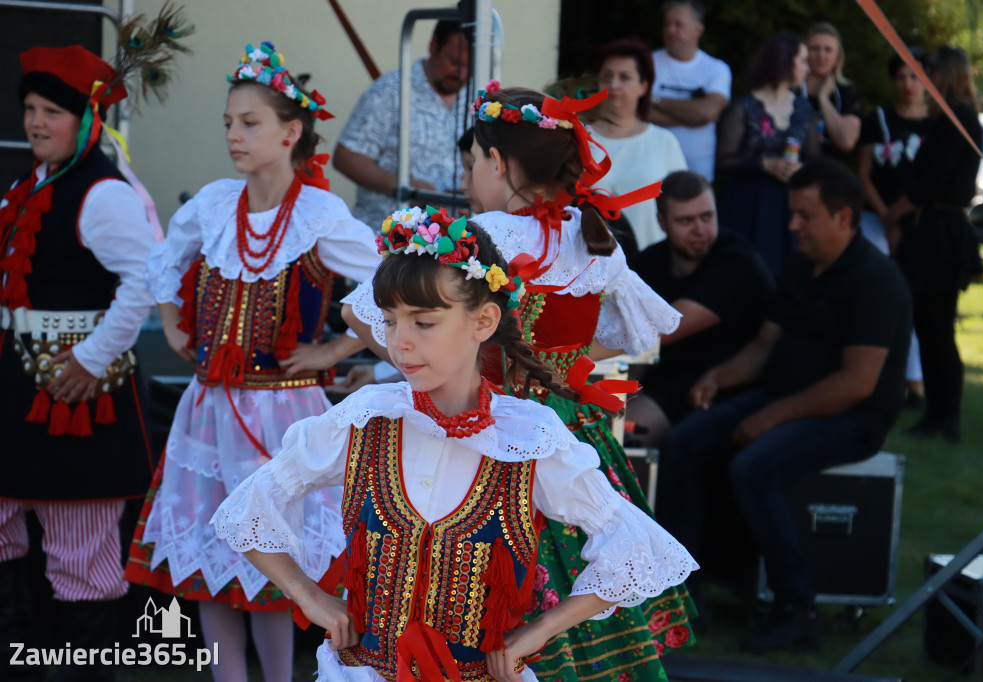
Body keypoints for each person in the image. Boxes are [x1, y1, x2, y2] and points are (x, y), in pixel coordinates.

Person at [212, 213, 697, 682]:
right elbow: (250, 505)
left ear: (483, 320)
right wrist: (308, 596)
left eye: (423, 323)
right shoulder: (366, 419)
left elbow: (636, 546)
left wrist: (541, 630)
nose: (400, 342)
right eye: (389, 321)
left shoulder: (527, 438)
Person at [342, 85, 698, 681]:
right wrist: (561, 360)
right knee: (599, 550)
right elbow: (643, 327)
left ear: (499, 164)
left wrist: (421, 367)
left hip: (489, 433)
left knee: (476, 592)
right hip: (576, 432)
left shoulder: (484, 237)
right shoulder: (591, 238)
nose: (469, 176)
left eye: (475, 161)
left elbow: (361, 309)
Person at [124, 42, 379, 682]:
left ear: (291, 132)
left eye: (250, 123)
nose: (235, 135)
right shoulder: (214, 204)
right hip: (210, 408)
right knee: (214, 561)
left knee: (271, 556)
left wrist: (336, 348)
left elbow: (390, 280)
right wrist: (171, 318)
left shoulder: (318, 212)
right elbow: (164, 256)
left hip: (286, 409)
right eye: (229, 123)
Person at [661, 158, 912, 654]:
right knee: (685, 441)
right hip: (784, 394)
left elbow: (857, 383)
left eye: (804, 214)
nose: (792, 224)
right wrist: (717, 377)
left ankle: (797, 608)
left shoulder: (876, 279)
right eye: (793, 212)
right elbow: (764, 347)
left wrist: (771, 416)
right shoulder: (800, 265)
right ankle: (684, 587)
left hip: (850, 417)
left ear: (843, 218)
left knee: (753, 467)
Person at [0, 44, 159, 682]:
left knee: (79, 542)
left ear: (85, 119)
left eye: (52, 111)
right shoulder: (28, 188)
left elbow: (144, 280)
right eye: (30, 109)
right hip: (18, 387)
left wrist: (93, 358)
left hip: (77, 397)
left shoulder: (102, 194)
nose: (36, 123)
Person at [630, 170, 774, 450]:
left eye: (707, 217)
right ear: (662, 222)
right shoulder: (650, 261)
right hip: (666, 377)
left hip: (726, 383)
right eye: (686, 220)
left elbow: (661, 330)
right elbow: (634, 342)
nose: (700, 229)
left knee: (627, 433)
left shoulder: (737, 262)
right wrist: (618, 390)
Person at [884, 46, 983, 444]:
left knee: (938, 329)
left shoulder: (956, 119)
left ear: (948, 74)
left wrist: (893, 214)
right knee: (930, 328)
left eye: (933, 72)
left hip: (941, 232)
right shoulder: (955, 118)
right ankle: (938, 414)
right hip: (937, 229)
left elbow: (929, 183)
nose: (928, 78)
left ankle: (946, 417)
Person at [333, 20, 470, 225]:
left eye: (470, 66)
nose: (461, 74)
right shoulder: (390, 91)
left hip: (450, 241)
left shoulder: (477, 97)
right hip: (386, 238)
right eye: (454, 61)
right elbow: (346, 157)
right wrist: (405, 187)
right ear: (433, 45)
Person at [856, 49, 932, 407]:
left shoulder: (937, 124)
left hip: (920, 225)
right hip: (876, 221)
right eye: (901, 77)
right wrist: (887, 218)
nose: (908, 85)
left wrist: (900, 219)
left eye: (915, 77)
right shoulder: (880, 120)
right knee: (883, 295)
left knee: (916, 300)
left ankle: (916, 381)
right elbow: (864, 174)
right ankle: (885, 379)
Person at [717, 33, 818, 276]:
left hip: (791, 204)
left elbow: (816, 160)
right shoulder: (745, 105)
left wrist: (800, 168)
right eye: (802, 60)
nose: (808, 67)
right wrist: (765, 164)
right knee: (746, 272)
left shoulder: (804, 108)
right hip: (749, 204)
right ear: (784, 62)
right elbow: (723, 161)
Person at [588, 39, 688, 251]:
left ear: (644, 86)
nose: (613, 84)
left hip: (651, 263)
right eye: (607, 76)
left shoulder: (664, 141)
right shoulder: (578, 138)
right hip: (589, 268)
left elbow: (684, 205)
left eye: (624, 77)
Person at [648, 0, 731, 181]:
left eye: (678, 24)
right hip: (650, 172)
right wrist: (694, 117)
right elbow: (641, 114)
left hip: (698, 175)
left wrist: (656, 100)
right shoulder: (648, 63)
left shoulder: (716, 69)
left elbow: (708, 112)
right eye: (667, 24)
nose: (670, 30)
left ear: (698, 30)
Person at [804, 23, 863, 161]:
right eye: (814, 49)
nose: (821, 55)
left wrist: (823, 98)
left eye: (828, 50)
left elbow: (847, 141)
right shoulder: (790, 88)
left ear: (837, 58)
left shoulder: (848, 92)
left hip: (829, 173)